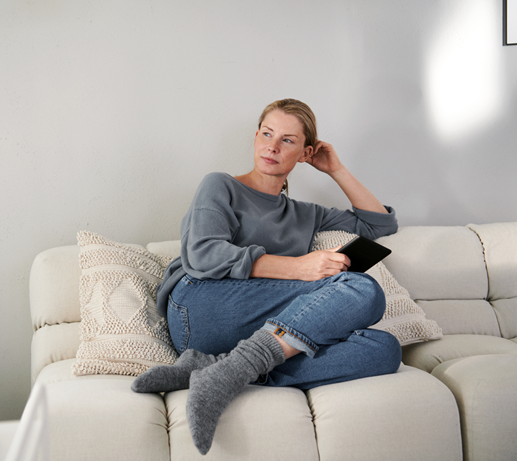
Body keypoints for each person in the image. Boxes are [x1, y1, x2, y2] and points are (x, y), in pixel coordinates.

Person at [131, 98, 401, 455]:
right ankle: (229, 370)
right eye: (267, 134)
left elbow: (379, 223)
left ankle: (220, 369)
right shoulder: (221, 186)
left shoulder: (306, 214)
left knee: (384, 350)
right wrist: (300, 268)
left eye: (287, 140)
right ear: (256, 136)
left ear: (305, 153)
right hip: (199, 306)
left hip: (256, 328)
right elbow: (203, 253)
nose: (272, 146)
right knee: (364, 289)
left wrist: (335, 169)